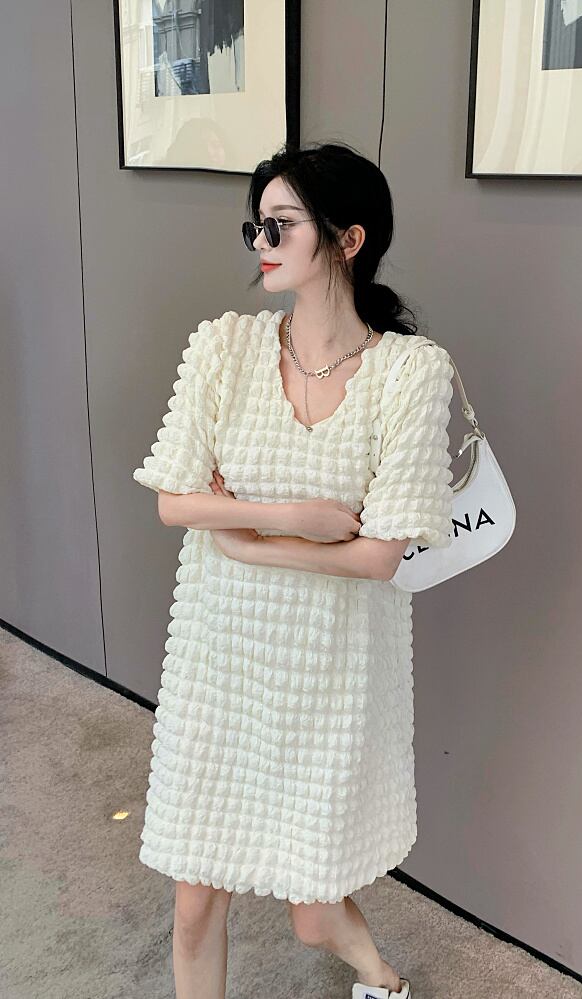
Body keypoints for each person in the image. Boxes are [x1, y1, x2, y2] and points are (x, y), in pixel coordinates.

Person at [132, 141, 455, 999]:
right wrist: (295, 521)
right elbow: (173, 500)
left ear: (348, 239)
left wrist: (242, 534)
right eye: (257, 226)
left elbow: (379, 556)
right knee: (194, 904)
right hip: (220, 662)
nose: (261, 243)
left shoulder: (410, 372)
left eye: (281, 225)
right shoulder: (224, 348)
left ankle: (382, 980)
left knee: (312, 910)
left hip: (330, 671)